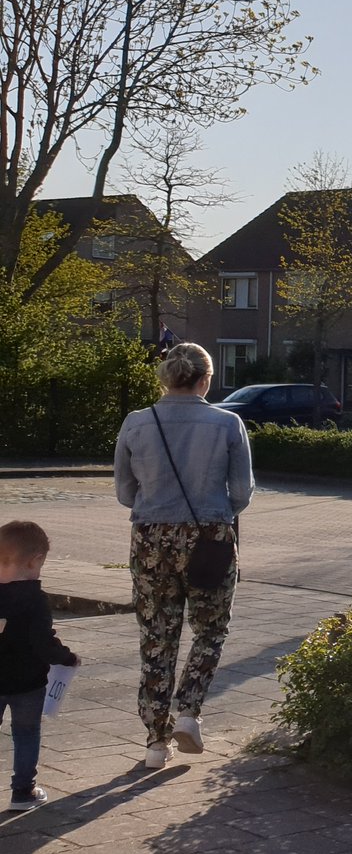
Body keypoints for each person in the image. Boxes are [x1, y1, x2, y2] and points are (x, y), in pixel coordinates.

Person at [113, 342, 253, 769]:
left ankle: (155, 743)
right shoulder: (227, 423)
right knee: (210, 629)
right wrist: (215, 513)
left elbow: (124, 492)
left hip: (151, 537)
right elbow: (242, 492)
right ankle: (189, 711)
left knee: (157, 636)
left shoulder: (136, 422)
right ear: (205, 380)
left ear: (167, 378)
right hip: (210, 536)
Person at [0, 521, 81, 810]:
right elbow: (43, 643)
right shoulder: (35, 599)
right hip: (28, 684)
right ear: (34, 560)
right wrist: (67, 658)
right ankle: (23, 792)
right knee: (26, 733)